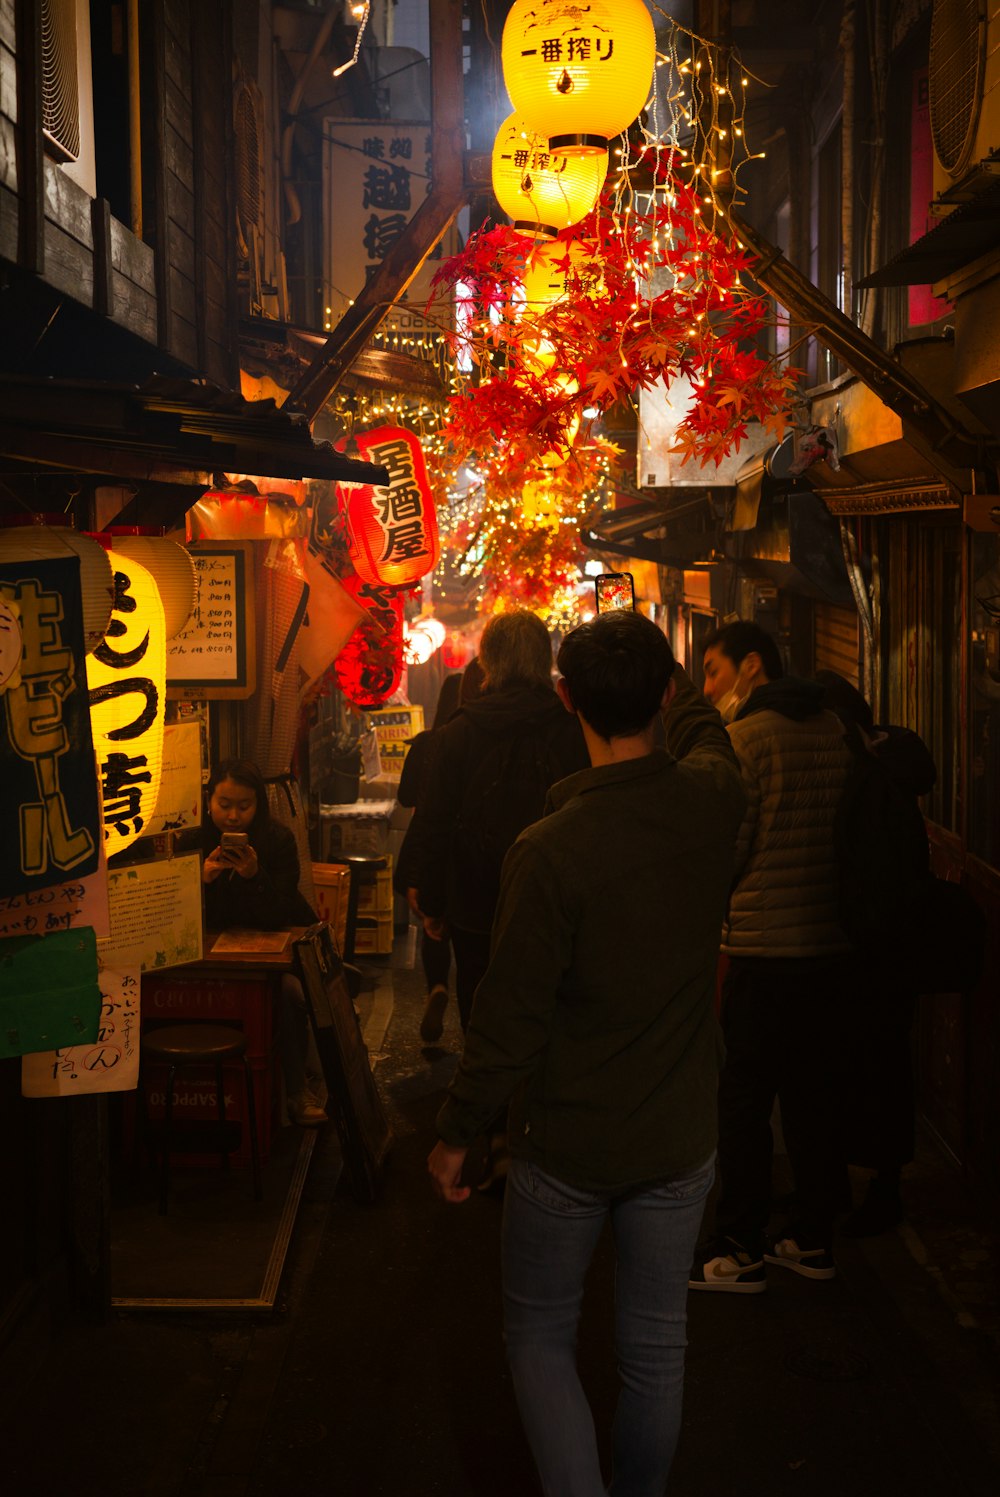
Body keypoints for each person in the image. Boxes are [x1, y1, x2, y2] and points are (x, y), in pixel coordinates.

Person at [427, 611, 746, 1497]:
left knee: (538, 1335)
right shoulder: (713, 801)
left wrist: (459, 1130)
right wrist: (678, 696)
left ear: (567, 698)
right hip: (678, 1137)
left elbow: (510, 1015)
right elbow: (711, 738)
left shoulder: (550, 850)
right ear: (671, 692)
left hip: (565, 1142)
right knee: (655, 1344)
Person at [690, 621, 855, 1292]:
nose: (708, 687)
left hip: (761, 950)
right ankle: (810, 1237)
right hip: (829, 948)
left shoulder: (745, 740)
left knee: (745, 1101)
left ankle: (740, 1243)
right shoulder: (835, 730)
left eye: (714, 671)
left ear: (752, 666)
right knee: (813, 1097)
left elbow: (730, 850)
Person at [414, 610, 588, 1033]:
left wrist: (434, 904)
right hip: (549, 895)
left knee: (480, 1000)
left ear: (487, 661)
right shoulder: (571, 728)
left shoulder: (463, 731)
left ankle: (485, 1088)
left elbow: (436, 820)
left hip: (475, 899)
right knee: (544, 1003)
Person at [815, 669, 936, 1237]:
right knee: (871, 1069)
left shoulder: (870, 776)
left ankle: (880, 1193)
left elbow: (874, 869)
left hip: (873, 950)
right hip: (884, 948)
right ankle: (859, 1186)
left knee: (872, 1072)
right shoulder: (883, 766)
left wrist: (858, 934)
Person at [202, 759, 326, 1127]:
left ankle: (295, 1093)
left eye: (244, 806)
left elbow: (280, 914)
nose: (234, 816)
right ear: (209, 800)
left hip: (272, 951)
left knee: (287, 993)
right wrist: (202, 882)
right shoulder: (195, 840)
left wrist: (255, 876)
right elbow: (182, 915)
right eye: (224, 805)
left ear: (259, 804)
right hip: (216, 954)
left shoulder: (277, 841)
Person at [394, 671, 465, 1042]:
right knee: (465, 923)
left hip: (424, 844)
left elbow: (406, 798)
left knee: (432, 923)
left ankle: (436, 985)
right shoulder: (475, 742)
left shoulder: (426, 743)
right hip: (466, 846)